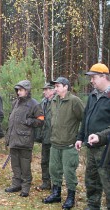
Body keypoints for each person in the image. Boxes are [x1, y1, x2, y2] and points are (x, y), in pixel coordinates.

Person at [43, 77, 84, 209]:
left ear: (66, 87)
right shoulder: (54, 100)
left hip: (69, 145)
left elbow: (84, 119)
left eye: (58, 86)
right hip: (55, 143)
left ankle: (71, 197)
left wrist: (79, 137)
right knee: (54, 170)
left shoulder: (74, 101)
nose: (55, 88)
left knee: (69, 172)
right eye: (54, 86)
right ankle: (56, 194)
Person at [75, 63, 110, 210]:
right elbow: (85, 118)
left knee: (107, 183)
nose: (91, 81)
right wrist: (80, 137)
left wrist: (100, 137)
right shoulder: (92, 96)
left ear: (104, 77)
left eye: (94, 77)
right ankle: (93, 206)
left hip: (106, 150)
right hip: (91, 147)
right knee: (91, 180)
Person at [4, 80, 44, 196]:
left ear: (27, 91)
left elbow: (41, 121)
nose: (18, 92)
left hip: (25, 140)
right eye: (17, 90)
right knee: (15, 164)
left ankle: (25, 187)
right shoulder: (15, 103)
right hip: (14, 139)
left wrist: (29, 121)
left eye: (20, 90)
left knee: (25, 166)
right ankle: (16, 184)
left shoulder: (34, 104)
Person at [34, 83, 56, 191]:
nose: (44, 92)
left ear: (53, 90)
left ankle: (56, 184)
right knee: (44, 161)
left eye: (46, 89)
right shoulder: (43, 102)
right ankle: (46, 182)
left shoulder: (57, 102)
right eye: (44, 89)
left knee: (54, 163)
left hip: (55, 137)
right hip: (45, 137)